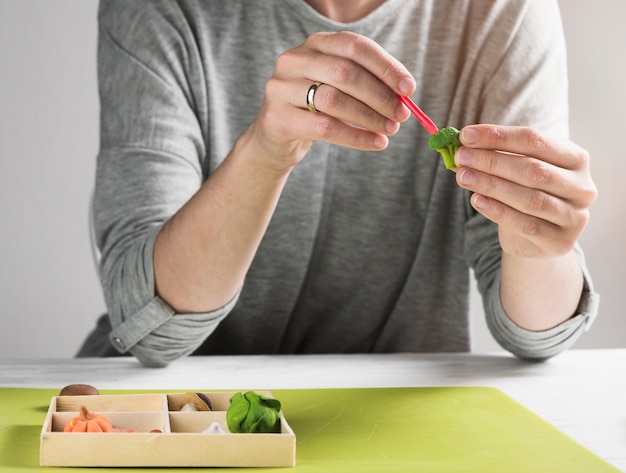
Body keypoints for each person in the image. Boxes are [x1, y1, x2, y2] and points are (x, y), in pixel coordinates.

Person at [77, 0, 599, 367]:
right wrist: (265, 150)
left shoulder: (504, 12)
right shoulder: (158, 9)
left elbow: (538, 334)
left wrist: (538, 241)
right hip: (181, 414)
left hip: (390, 421)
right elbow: (149, 327)